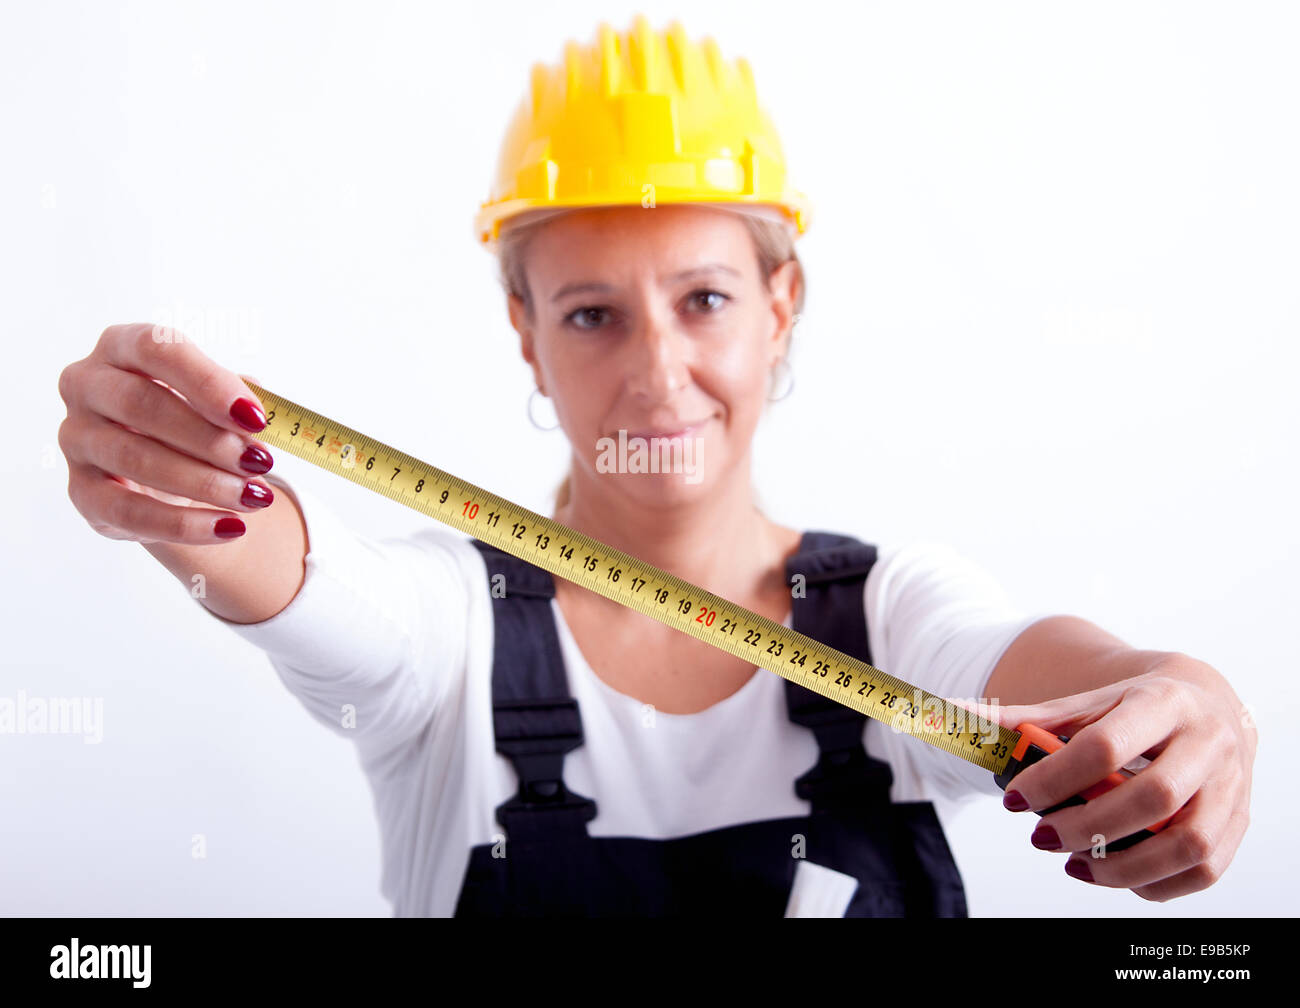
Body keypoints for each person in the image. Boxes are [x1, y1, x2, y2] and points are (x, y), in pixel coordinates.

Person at [56, 16, 1255, 916]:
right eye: (590, 315)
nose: (658, 371)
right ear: (525, 334)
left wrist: (1186, 699)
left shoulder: (890, 618)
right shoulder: (447, 634)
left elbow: (1069, 680)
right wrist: (172, 479)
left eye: (705, 299)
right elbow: (297, 573)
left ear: (780, 307)